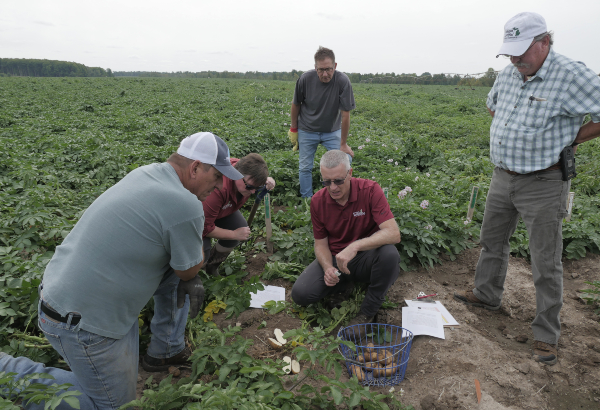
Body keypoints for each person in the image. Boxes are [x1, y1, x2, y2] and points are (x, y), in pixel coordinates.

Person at [0, 132, 243, 410]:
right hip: (82, 325)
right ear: (196, 167)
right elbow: (188, 271)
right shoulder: (185, 205)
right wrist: (198, 246)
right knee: (115, 407)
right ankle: (7, 371)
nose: (218, 186)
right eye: (216, 177)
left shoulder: (147, 173)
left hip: (60, 296)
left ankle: (164, 350)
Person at [454, 12, 600, 366]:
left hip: (544, 181)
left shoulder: (571, 75)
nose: (516, 59)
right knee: (492, 240)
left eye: (522, 51)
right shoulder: (509, 73)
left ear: (545, 42)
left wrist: (570, 139)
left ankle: (546, 335)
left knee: (545, 259)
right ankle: (487, 295)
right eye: (510, 53)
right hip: (503, 175)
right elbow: (493, 107)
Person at [291, 150, 401, 326]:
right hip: (336, 260)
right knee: (300, 294)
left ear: (350, 174)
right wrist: (327, 268)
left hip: (366, 257)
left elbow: (393, 233)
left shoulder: (370, 190)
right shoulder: (318, 201)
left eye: (338, 181)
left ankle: (367, 314)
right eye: (327, 181)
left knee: (389, 255)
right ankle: (343, 285)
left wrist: (355, 246)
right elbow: (320, 244)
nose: (333, 187)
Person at [288, 46, 356, 198]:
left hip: (332, 131)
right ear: (315, 67)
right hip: (307, 129)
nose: (325, 74)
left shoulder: (342, 81)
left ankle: (340, 195)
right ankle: (308, 201)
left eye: (328, 69)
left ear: (335, 66)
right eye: (321, 70)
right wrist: (294, 129)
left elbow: (345, 115)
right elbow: (296, 104)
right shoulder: (305, 79)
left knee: (345, 161)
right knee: (305, 167)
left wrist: (343, 144)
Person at [202, 153, 276, 276]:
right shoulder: (217, 189)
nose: (253, 192)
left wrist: (266, 181)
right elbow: (204, 228)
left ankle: (212, 266)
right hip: (197, 219)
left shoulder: (243, 169)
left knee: (239, 226)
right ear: (237, 175)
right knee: (202, 252)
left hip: (220, 210)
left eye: (257, 188)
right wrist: (233, 234)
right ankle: (198, 274)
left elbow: (253, 179)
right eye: (249, 187)